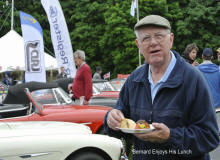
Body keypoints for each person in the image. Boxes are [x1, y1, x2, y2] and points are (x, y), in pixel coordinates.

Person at [104, 15, 219, 160]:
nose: (153, 43)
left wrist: (170, 136)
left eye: (159, 36)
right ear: (138, 45)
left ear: (170, 40)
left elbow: (210, 137)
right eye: (145, 38)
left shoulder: (193, 79)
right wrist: (111, 119)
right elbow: (122, 121)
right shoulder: (134, 80)